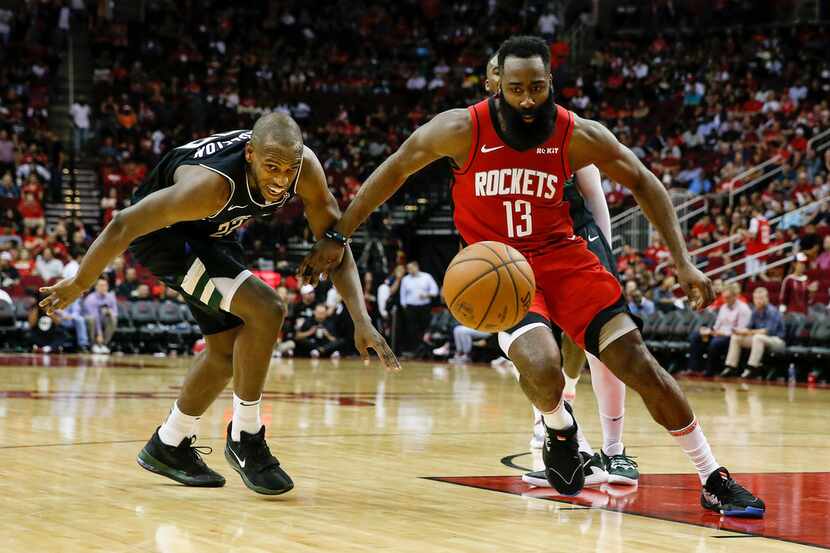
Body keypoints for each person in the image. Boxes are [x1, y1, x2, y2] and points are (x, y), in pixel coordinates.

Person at [299, 36, 763, 516]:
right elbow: (394, 171)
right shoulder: (460, 129)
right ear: (497, 83)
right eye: (516, 88)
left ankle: (711, 476)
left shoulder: (575, 133)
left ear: (549, 84)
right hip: (503, 269)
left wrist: (683, 260)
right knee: (542, 366)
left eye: (536, 88)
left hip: (565, 259)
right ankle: (559, 427)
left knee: (637, 362)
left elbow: (644, 181)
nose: (526, 100)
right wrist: (340, 235)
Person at [39, 113, 398, 496]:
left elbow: (333, 243)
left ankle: (170, 443)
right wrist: (80, 281)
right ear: (249, 154)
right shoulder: (210, 186)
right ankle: (246, 435)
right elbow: (124, 224)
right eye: (270, 167)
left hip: (212, 233)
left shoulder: (304, 169)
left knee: (227, 351)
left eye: (287, 169)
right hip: (164, 236)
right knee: (267, 308)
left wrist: (361, 319)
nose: (280, 180)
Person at [489, 51, 638, 488]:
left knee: (603, 343)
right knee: (532, 343)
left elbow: (593, 196)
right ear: (492, 87)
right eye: (501, 79)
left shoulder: (561, 128)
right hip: (515, 251)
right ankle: (551, 420)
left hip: (573, 238)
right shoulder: (473, 135)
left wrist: (604, 256)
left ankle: (615, 450)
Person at [721, 287, 785, 379]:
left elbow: (767, 331)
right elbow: (748, 328)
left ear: (767, 299)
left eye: (761, 298)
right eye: (756, 298)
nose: (758, 301)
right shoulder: (755, 311)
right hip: (761, 339)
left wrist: (748, 332)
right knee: (736, 338)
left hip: (777, 341)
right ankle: (731, 367)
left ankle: (752, 368)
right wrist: (740, 332)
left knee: (758, 337)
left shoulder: (772, 311)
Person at [687, 283, 750, 376]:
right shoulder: (723, 307)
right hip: (718, 334)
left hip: (731, 337)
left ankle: (709, 371)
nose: (725, 300)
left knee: (715, 343)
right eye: (724, 297)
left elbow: (741, 329)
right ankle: (694, 368)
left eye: (728, 297)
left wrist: (723, 333)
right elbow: (717, 325)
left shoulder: (743, 309)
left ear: (735, 296)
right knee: (695, 336)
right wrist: (709, 330)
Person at [398, 261, 438, 356]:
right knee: (412, 329)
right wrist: (404, 306)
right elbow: (402, 294)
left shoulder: (427, 277)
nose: (410, 270)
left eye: (411, 268)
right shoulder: (405, 279)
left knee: (424, 328)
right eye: (408, 269)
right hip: (411, 308)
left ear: (417, 267)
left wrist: (427, 295)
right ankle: (414, 350)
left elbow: (435, 291)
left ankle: (425, 350)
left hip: (424, 307)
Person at [83, 277, 118, 353]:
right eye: (101, 285)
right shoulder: (91, 299)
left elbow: (115, 313)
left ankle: (103, 344)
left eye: (105, 285)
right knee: (92, 319)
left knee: (113, 319)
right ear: (96, 287)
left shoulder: (110, 297)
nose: (103, 287)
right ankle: (93, 345)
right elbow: (95, 317)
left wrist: (110, 312)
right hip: (90, 320)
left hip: (103, 319)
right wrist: (99, 334)